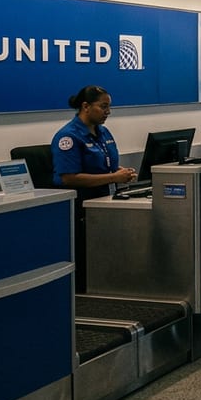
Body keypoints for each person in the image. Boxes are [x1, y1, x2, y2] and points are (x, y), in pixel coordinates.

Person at [52, 85, 137, 293]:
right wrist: (113, 177)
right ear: (85, 106)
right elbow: (69, 177)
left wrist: (119, 172)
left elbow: (105, 163)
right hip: (83, 210)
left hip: (107, 204)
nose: (108, 112)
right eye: (103, 106)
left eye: (109, 107)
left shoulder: (103, 132)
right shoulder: (69, 137)